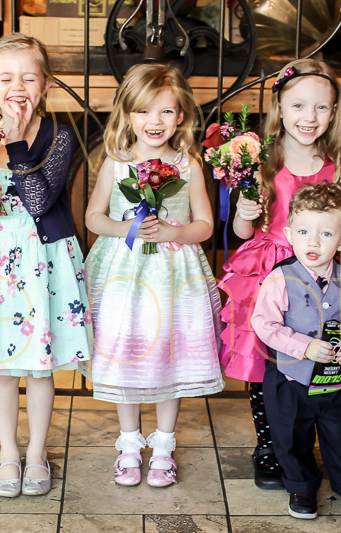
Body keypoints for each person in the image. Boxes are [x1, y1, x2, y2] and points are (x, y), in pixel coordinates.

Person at [0, 34, 91, 498]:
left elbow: (40, 199)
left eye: (29, 76)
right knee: (4, 368)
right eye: (6, 77)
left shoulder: (59, 135)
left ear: (45, 83)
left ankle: (36, 454)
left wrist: (14, 143)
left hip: (43, 263)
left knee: (39, 369)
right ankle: (9, 452)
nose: (18, 85)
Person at [217, 59, 341, 489]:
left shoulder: (334, 164)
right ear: (279, 108)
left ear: (334, 112)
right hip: (270, 268)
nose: (309, 117)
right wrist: (245, 213)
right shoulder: (261, 159)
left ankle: (312, 434)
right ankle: (269, 443)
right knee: (268, 358)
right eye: (298, 106)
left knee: (313, 349)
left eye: (321, 108)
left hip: (320, 267)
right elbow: (244, 230)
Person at [84, 62, 224, 488]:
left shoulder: (187, 165)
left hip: (172, 275)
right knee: (126, 350)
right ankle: (129, 443)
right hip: (124, 277)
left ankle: (163, 444)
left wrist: (173, 232)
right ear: (127, 115)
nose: (154, 122)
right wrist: (126, 227)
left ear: (180, 116)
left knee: (168, 351)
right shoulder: (116, 161)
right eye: (144, 112)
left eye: (165, 112)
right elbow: (93, 217)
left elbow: (205, 225)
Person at [251, 182, 341, 523]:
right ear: (289, 233)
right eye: (304, 231)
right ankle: (301, 485)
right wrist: (304, 346)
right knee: (291, 436)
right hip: (290, 379)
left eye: (325, 234)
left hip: (336, 380)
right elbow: (263, 324)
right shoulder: (280, 279)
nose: (313, 242)